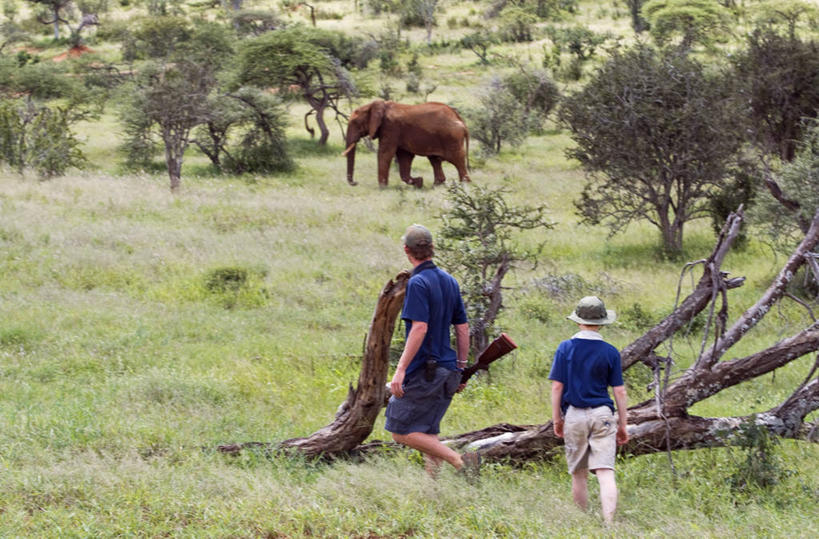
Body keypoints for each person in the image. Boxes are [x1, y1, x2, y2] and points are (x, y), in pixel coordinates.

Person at [385, 224, 480, 478]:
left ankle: (459, 461)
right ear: (432, 249)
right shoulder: (450, 281)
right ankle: (433, 493)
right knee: (428, 433)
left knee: (400, 430)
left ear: (407, 250)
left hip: (425, 371)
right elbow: (462, 328)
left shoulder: (417, 283)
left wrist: (401, 369)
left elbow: (419, 328)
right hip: (448, 368)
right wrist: (461, 368)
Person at [549, 296, 629, 524]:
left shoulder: (566, 348)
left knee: (579, 473)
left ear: (578, 321)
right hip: (603, 414)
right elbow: (619, 391)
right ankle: (609, 523)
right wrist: (623, 424)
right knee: (606, 472)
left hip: (574, 414)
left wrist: (557, 419)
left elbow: (557, 386)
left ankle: (582, 522)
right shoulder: (610, 351)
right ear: (602, 322)